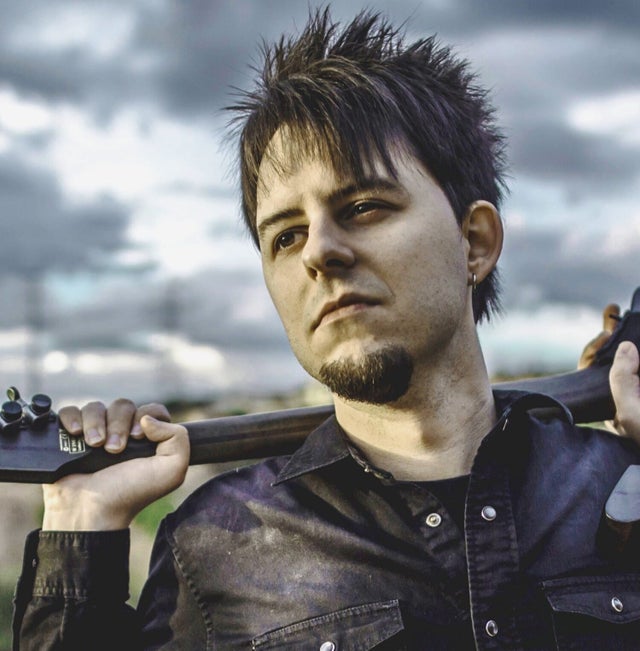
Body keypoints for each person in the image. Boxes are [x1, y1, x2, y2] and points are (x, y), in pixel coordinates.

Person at [13, 8, 640, 650]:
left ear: (474, 242)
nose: (318, 252)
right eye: (286, 236)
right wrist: (81, 524)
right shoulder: (217, 545)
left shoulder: (622, 488)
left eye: (363, 207)